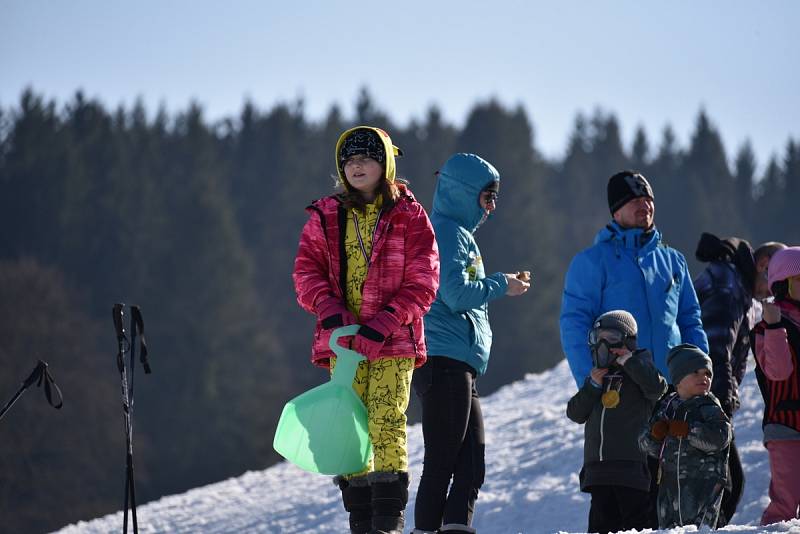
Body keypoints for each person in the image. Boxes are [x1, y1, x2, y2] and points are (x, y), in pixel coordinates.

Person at [292, 126, 439, 534]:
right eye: (350, 160)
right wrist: (330, 309)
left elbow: (424, 281)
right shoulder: (326, 215)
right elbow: (307, 272)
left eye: (367, 158)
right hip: (344, 344)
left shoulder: (409, 216)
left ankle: (387, 522)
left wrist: (385, 323)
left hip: (393, 340)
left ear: (386, 165)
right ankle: (361, 521)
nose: (357, 166)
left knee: (387, 420)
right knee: (350, 426)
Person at [410, 153, 530, 534]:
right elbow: (456, 294)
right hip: (443, 361)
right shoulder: (446, 231)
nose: (492, 207)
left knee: (471, 464)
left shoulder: (458, 234)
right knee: (444, 461)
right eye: (487, 196)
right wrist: (501, 283)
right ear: (465, 193)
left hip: (458, 364)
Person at [560, 170, 709, 389]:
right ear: (616, 211)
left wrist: (701, 370)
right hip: (621, 391)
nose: (645, 206)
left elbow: (690, 319)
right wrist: (590, 383)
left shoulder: (674, 260)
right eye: (635, 201)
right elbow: (574, 325)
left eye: (648, 199)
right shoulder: (591, 262)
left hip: (673, 388)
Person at [693, 234, 786, 524]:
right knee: (725, 484)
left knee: (728, 484)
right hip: (699, 399)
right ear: (763, 264)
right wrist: (723, 405)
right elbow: (714, 348)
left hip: (706, 397)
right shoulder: (728, 286)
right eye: (779, 278)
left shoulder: (742, 290)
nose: (780, 290)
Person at [566, 310, 667, 534]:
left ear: (628, 341)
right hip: (599, 471)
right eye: (597, 337)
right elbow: (575, 413)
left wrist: (630, 362)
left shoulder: (640, 370)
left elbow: (657, 388)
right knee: (601, 525)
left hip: (631, 468)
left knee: (637, 525)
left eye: (611, 338)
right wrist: (592, 386)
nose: (603, 344)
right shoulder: (596, 378)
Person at [639, 344, 732, 529]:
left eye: (707, 373)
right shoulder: (667, 406)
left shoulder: (709, 406)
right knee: (669, 530)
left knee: (699, 530)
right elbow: (648, 447)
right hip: (669, 487)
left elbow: (721, 437)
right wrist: (654, 436)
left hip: (704, 487)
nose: (704, 377)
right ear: (679, 378)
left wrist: (688, 430)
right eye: (696, 372)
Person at [749, 246, 800, 525]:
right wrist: (774, 327)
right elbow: (778, 373)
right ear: (782, 286)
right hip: (786, 426)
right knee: (786, 504)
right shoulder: (766, 328)